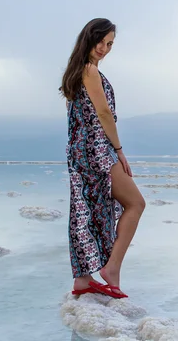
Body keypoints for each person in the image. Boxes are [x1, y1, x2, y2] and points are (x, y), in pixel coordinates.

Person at [60, 18, 146, 298]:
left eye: (110, 44)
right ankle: (112, 268)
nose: (105, 48)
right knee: (135, 203)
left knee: (86, 210)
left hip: (81, 151)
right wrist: (119, 151)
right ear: (89, 38)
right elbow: (103, 114)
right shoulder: (89, 71)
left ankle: (83, 280)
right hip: (96, 150)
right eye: (101, 41)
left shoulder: (77, 72)